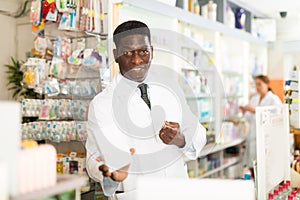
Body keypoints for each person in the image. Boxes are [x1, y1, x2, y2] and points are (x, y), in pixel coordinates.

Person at [85, 20, 206, 200]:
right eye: (128, 53)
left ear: (152, 51)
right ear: (116, 54)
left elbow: (197, 131)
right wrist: (110, 172)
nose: (136, 60)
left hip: (177, 191)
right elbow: (93, 158)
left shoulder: (170, 87)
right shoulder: (103, 103)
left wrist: (181, 139)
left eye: (143, 51)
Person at [240, 75, 282, 174]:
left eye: (259, 84)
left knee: (264, 170)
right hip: (253, 138)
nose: (257, 87)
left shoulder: (274, 99)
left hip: (266, 139)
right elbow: (249, 118)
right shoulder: (254, 99)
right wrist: (245, 111)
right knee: (252, 167)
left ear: (267, 84)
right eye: (256, 85)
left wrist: (254, 110)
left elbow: (274, 117)